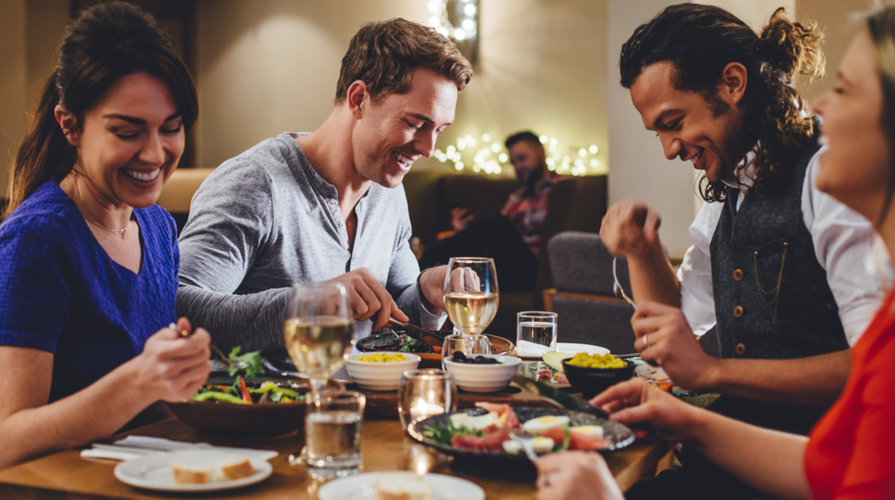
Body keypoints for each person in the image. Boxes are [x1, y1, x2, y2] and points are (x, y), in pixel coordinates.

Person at [536, 11, 895, 498]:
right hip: (733, 457)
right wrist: (644, 254)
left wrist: (714, 374)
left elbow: (874, 369)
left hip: (813, 467)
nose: (668, 149)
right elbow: (681, 325)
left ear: (732, 83)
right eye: (656, 132)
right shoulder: (725, 189)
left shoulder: (827, 181)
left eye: (674, 123)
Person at [176, 19, 473, 355]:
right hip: (266, 403)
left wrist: (428, 292)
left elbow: (400, 315)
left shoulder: (387, 187)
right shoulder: (255, 183)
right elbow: (176, 307)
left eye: (439, 130)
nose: (428, 148)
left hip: (358, 402)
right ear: (359, 98)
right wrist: (311, 303)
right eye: (415, 124)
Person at [0, 2, 211, 471]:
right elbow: (7, 439)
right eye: (127, 131)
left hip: (147, 474)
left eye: (171, 128)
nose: (155, 153)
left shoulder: (155, 224)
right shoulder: (38, 240)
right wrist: (142, 380)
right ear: (69, 125)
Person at [419, 131, 556, 292]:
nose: (518, 167)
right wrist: (465, 231)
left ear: (540, 152)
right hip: (508, 266)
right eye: (513, 162)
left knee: (495, 222)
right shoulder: (517, 198)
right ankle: (428, 265)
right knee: (473, 250)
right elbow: (499, 239)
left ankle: (426, 254)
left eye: (522, 159)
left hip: (535, 270)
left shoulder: (560, 189)